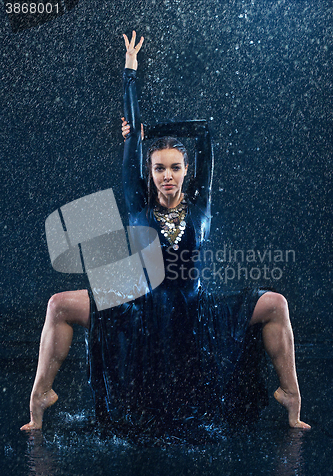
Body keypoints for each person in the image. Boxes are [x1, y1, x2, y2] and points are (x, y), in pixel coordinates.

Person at [21, 31, 310, 434]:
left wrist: (149, 130)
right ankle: (40, 398)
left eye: (175, 167)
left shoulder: (201, 206)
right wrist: (130, 76)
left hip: (196, 312)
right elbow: (135, 142)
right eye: (159, 168)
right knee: (58, 305)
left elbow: (205, 132)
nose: (168, 176)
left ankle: (290, 398)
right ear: (150, 172)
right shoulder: (138, 205)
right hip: (140, 311)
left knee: (276, 303)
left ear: (187, 170)